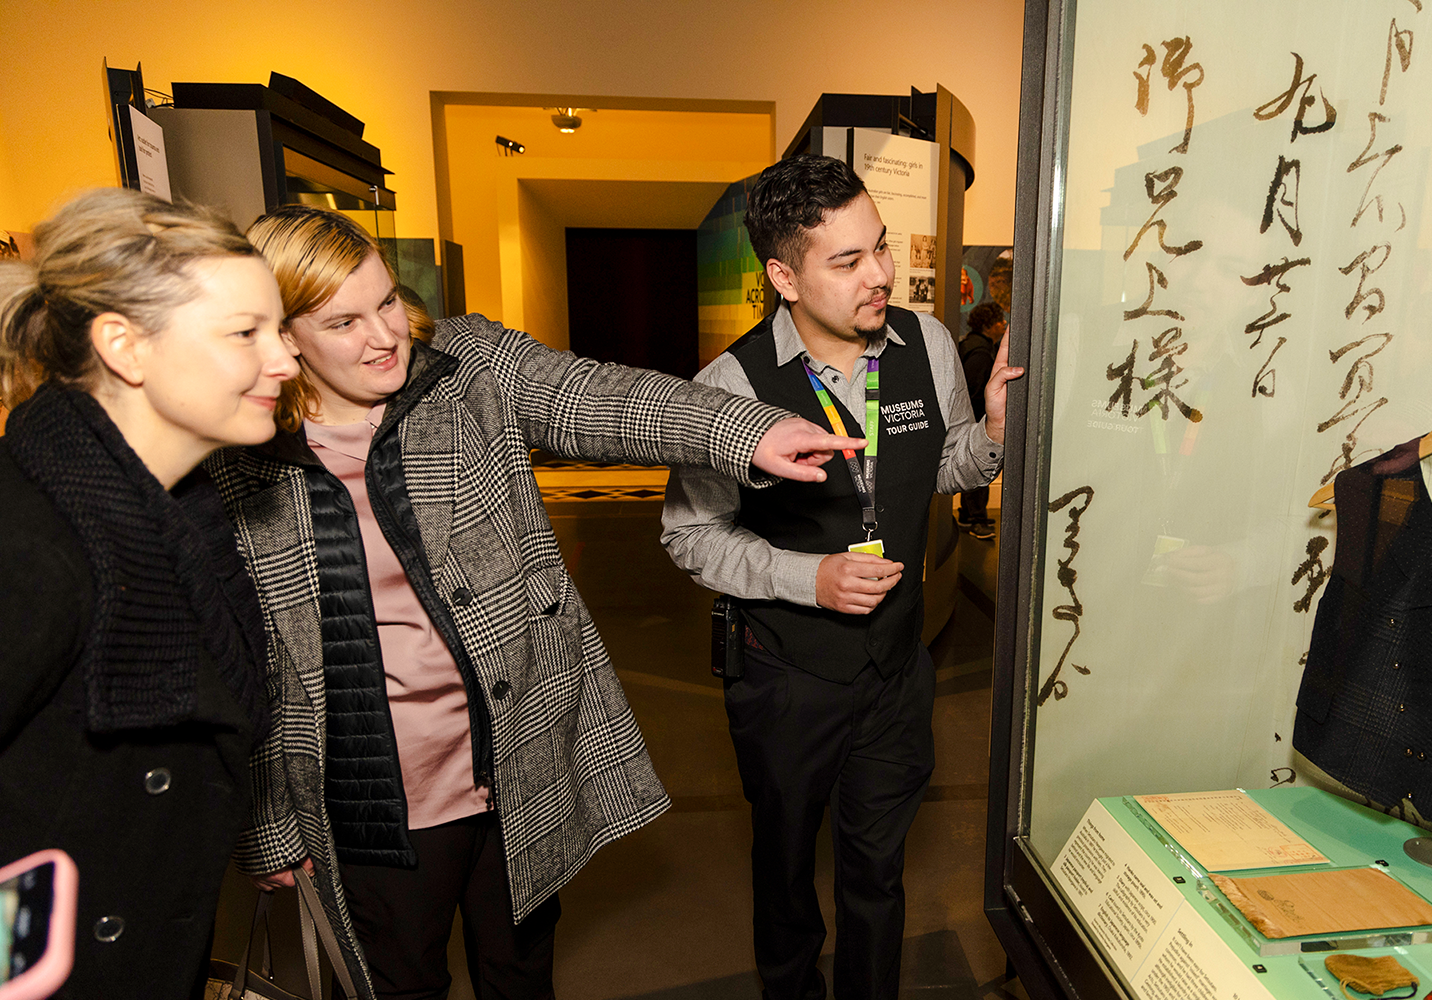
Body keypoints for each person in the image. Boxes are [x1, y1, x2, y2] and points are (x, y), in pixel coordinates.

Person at [206, 204, 857, 1000]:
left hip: (513, 762)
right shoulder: (235, 455)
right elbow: (248, 665)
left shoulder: (465, 365)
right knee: (394, 984)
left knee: (520, 975)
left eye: (385, 301)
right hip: (367, 798)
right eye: (343, 321)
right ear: (283, 336)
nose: (384, 335)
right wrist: (267, 823)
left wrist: (743, 431)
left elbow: (596, 397)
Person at [660, 155, 1023, 1000]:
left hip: (896, 669)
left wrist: (995, 435)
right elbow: (688, 535)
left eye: (882, 249)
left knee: (879, 871)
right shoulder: (728, 388)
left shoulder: (927, 343)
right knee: (786, 872)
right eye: (848, 261)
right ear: (783, 276)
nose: (882, 276)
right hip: (786, 676)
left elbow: (943, 466)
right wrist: (804, 577)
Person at [0, 188, 297, 997]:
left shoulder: (179, 519)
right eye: (246, 333)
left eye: (278, 328)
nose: (285, 359)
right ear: (125, 347)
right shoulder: (34, 547)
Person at [956, 301, 1007, 538]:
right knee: (980, 466)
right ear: (989, 325)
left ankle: (968, 514)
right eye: (1000, 321)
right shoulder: (981, 352)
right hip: (976, 420)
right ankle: (977, 518)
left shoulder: (971, 344)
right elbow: (974, 391)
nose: (1004, 324)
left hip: (967, 420)